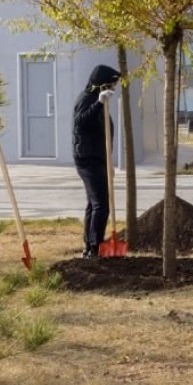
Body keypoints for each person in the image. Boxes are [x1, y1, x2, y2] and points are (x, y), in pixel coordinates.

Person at [72, 64, 121, 259]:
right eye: (111, 85)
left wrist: (109, 163)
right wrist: (99, 103)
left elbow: (104, 133)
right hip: (87, 159)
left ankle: (89, 246)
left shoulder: (97, 101)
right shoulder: (86, 99)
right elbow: (81, 121)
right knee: (101, 205)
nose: (113, 89)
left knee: (93, 205)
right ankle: (95, 247)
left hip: (98, 159)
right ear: (101, 84)